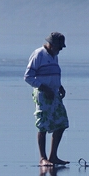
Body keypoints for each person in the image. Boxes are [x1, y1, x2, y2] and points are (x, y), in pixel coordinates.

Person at [25, 31, 69, 165]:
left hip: (54, 93)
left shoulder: (54, 56)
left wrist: (59, 86)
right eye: (58, 47)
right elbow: (28, 77)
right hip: (42, 95)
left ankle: (53, 156)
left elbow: (52, 73)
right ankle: (43, 158)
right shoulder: (39, 54)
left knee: (61, 123)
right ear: (51, 44)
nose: (60, 50)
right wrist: (44, 88)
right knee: (43, 125)